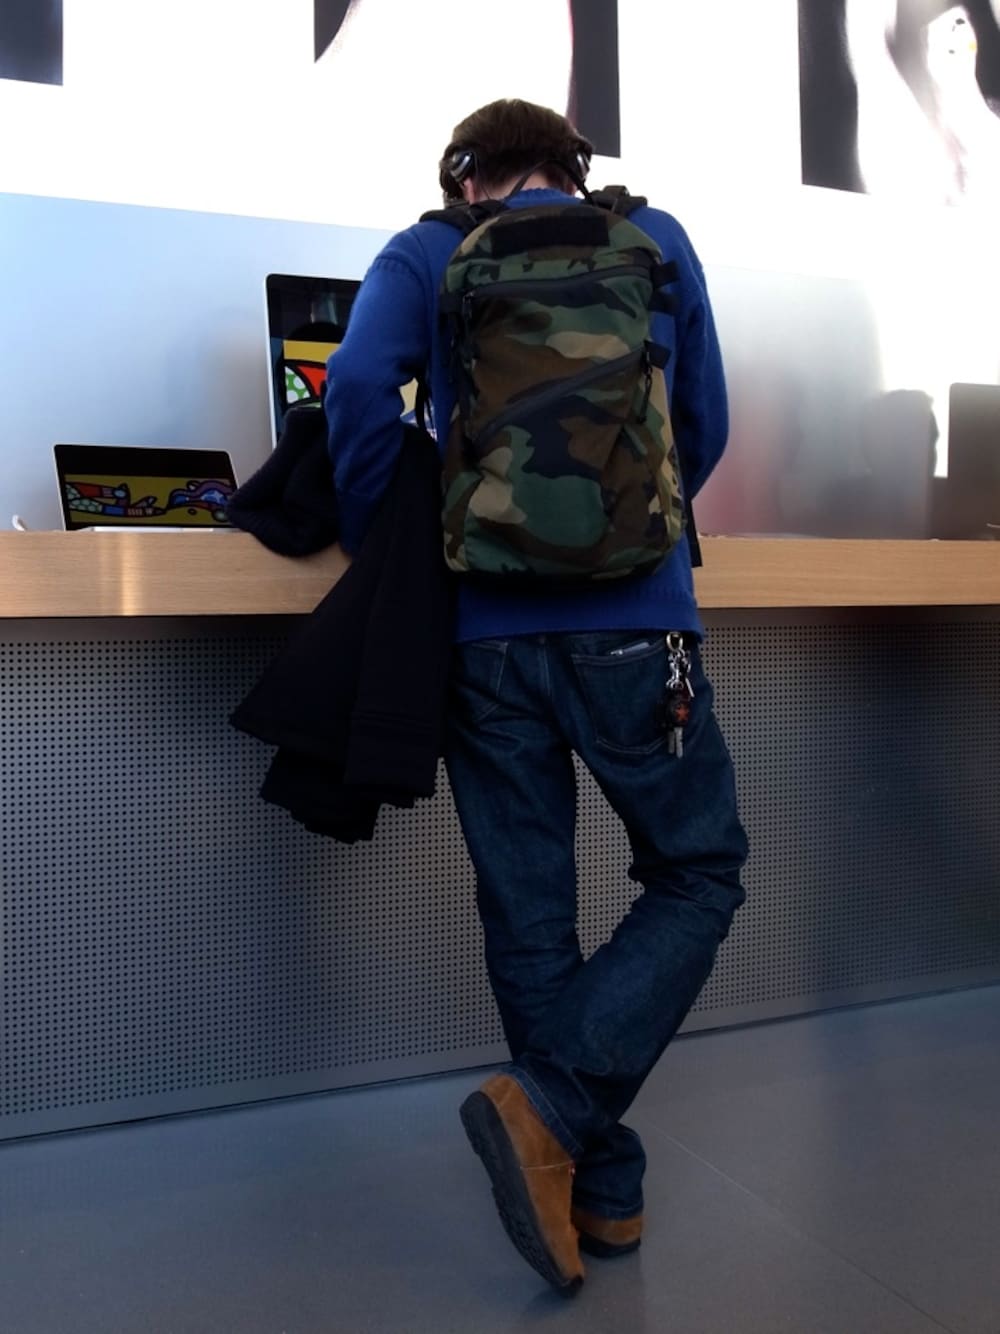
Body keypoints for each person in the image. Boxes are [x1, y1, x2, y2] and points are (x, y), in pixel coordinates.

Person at [323, 98, 748, 1296]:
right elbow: (704, 422)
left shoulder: (427, 251)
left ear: (464, 179)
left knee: (529, 916)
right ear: (572, 166)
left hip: (484, 640)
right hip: (637, 624)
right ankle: (586, 1159)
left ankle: (569, 1138)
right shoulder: (653, 237)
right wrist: (631, 528)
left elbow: (353, 395)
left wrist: (387, 537)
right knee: (697, 868)